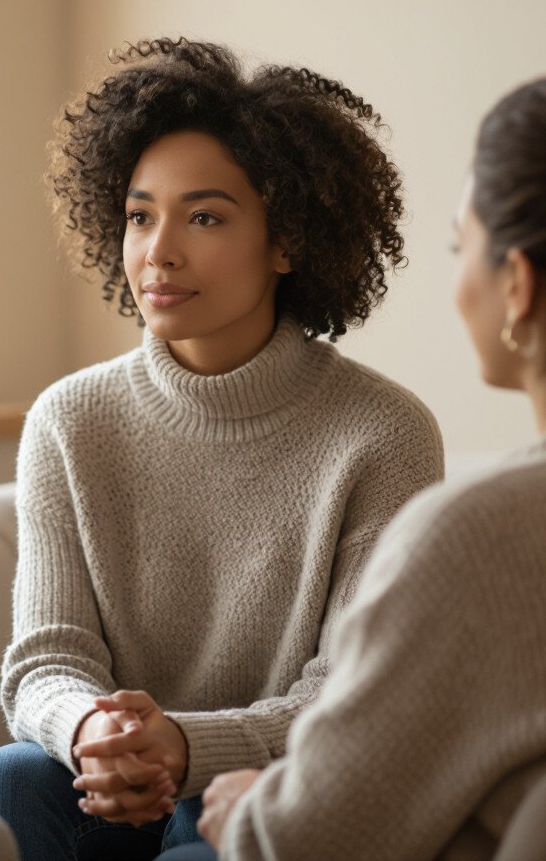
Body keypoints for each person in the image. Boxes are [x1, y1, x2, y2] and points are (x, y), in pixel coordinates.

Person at [0, 37, 444, 860]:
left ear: (287, 240)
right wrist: (91, 732)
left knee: (203, 839)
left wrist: (186, 746)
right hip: (116, 782)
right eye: (140, 215)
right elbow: (47, 658)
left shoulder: (383, 433)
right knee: (8, 781)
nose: (159, 250)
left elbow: (353, 693)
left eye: (205, 216)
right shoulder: (69, 421)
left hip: (281, 790)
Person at [161, 75, 546, 861]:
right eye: (140, 214)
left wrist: (243, 801)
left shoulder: (479, 538)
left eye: (459, 247)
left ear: (518, 286)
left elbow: (308, 835)